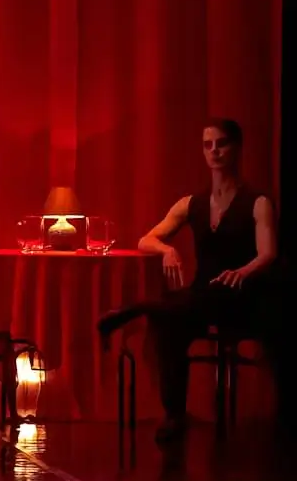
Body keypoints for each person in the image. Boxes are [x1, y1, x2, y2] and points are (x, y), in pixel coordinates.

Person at [98, 119, 279, 441]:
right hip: (202, 296)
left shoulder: (257, 202)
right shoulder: (191, 203)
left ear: (237, 148)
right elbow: (146, 240)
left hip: (240, 296)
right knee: (168, 322)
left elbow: (268, 253)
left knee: (175, 307)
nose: (215, 151)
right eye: (208, 145)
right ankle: (174, 415)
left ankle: (133, 310)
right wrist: (167, 249)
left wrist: (242, 271)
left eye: (221, 144)